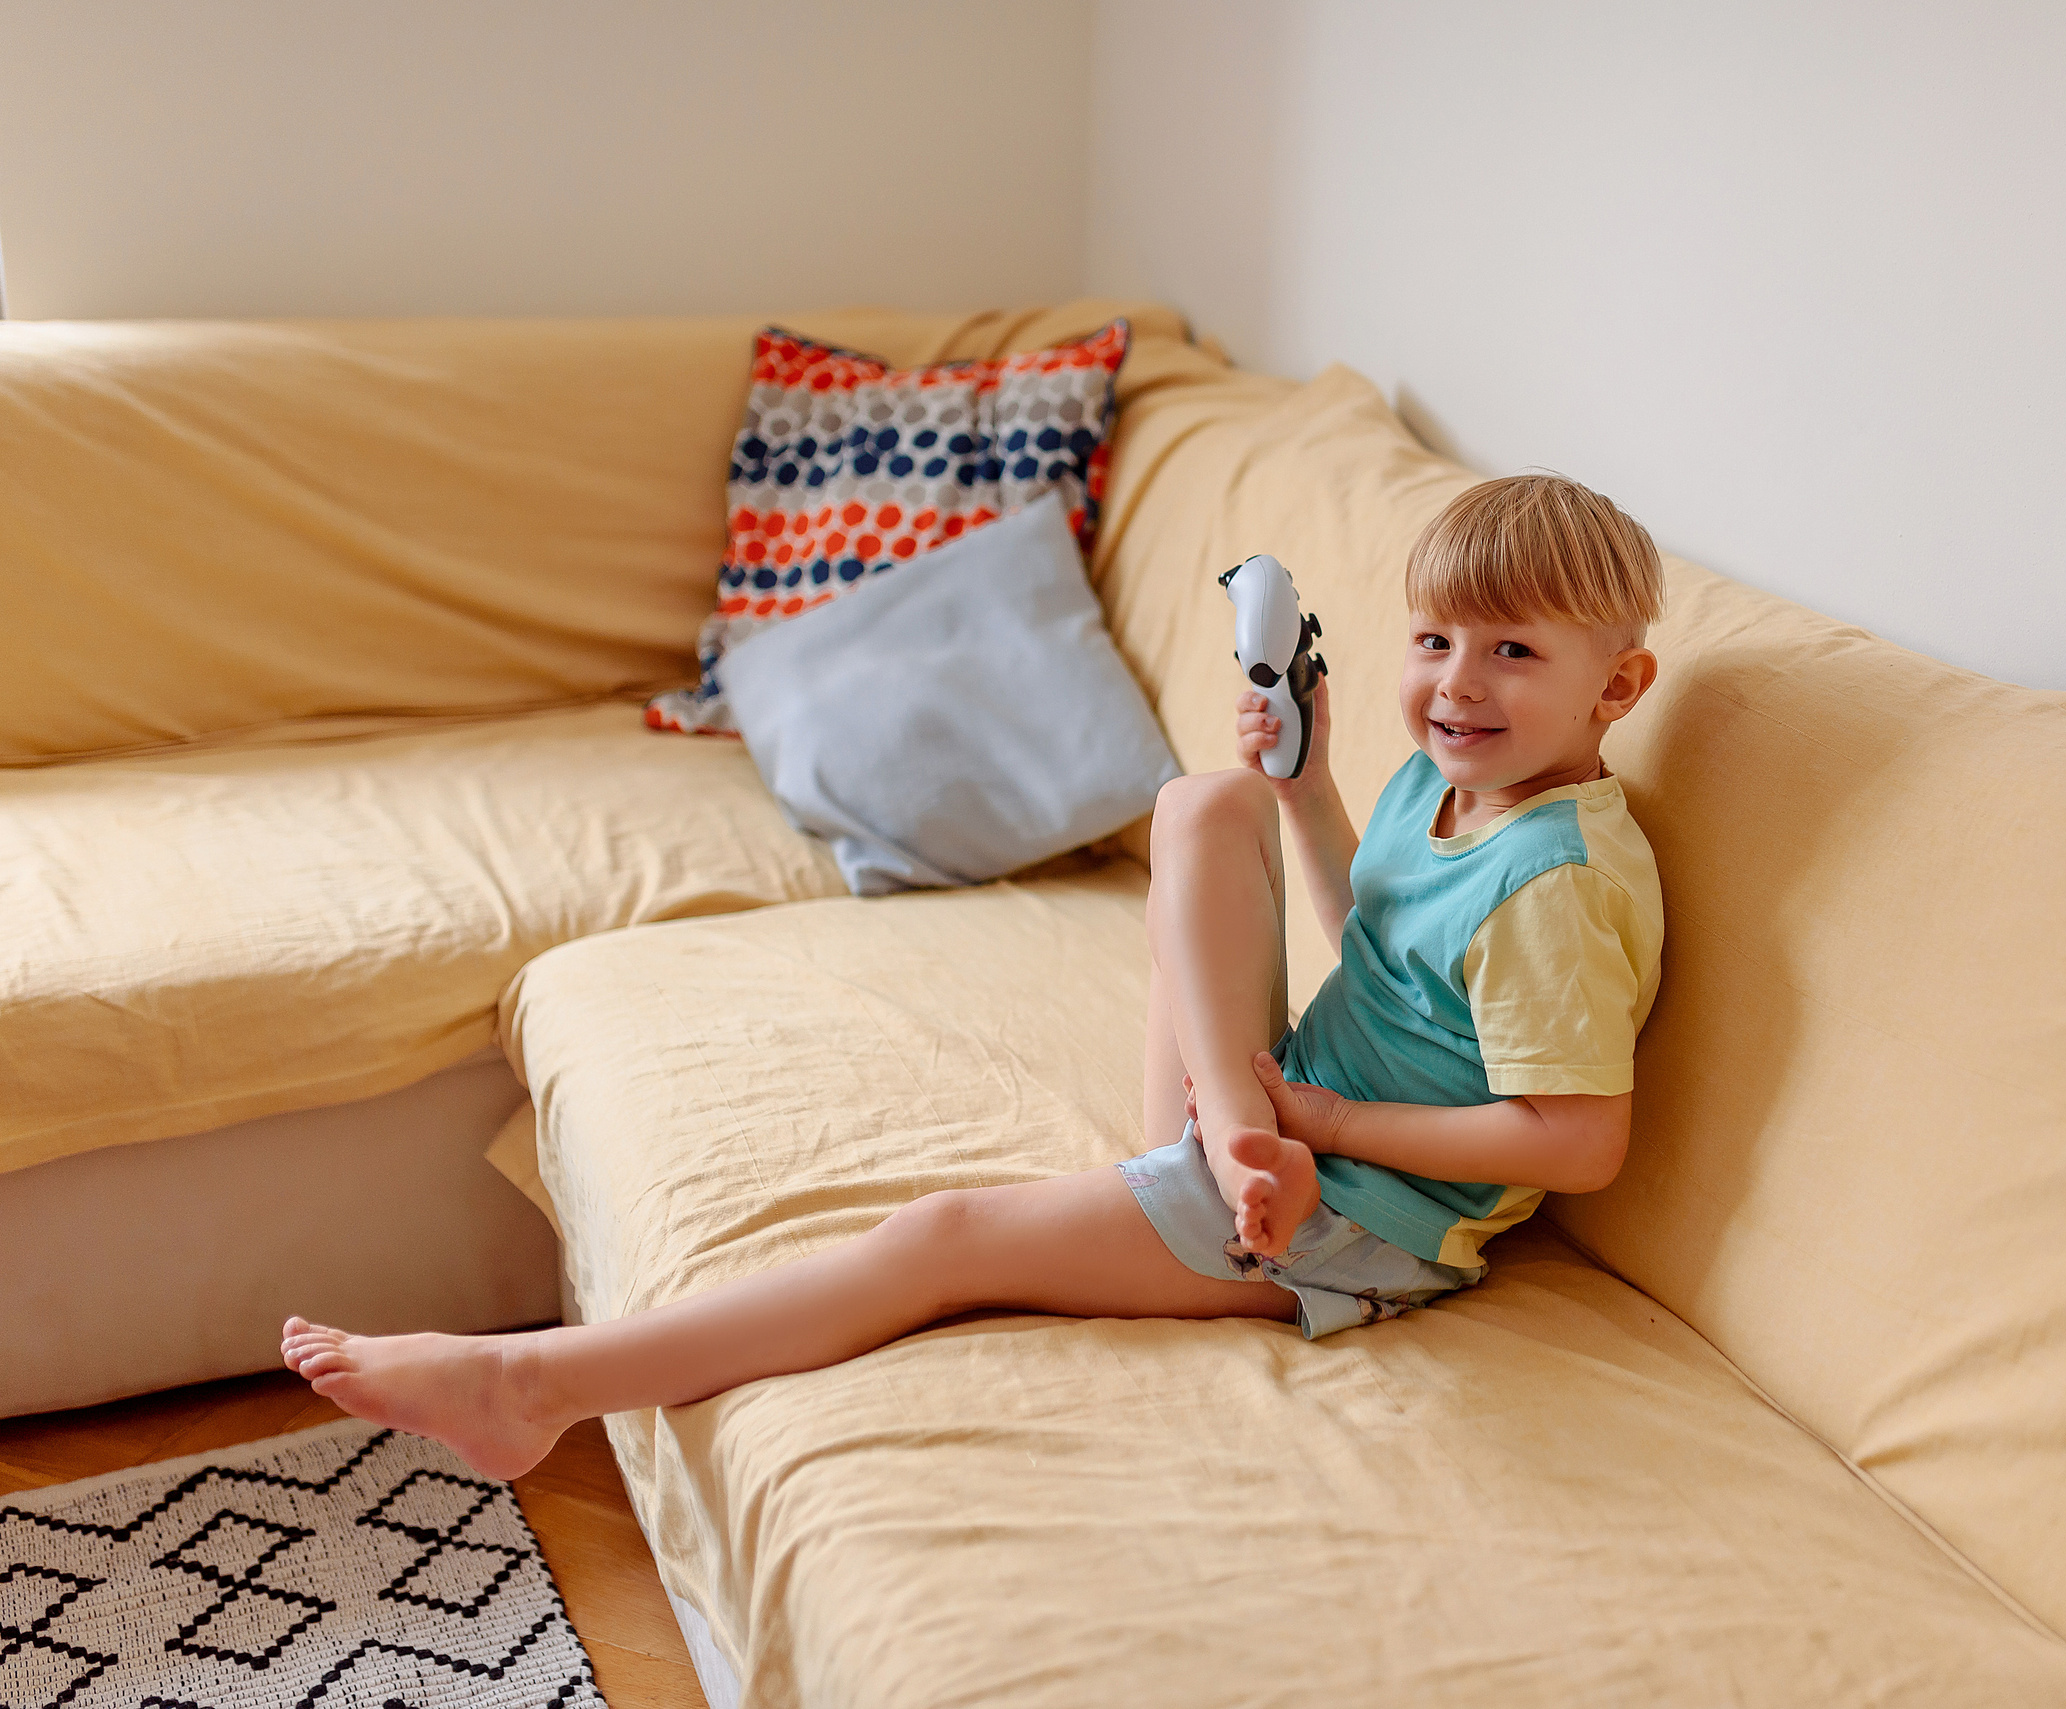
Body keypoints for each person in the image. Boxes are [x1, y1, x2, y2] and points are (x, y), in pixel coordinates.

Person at [280, 473, 1666, 1481]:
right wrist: (1307, 798)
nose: (1456, 684)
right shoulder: (1454, 782)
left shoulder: (1553, 882)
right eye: (1435, 642)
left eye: (1515, 653)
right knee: (1209, 805)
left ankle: (527, 1385)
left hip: (1369, 1218)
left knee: (940, 1238)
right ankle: (1225, 1152)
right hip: (1291, 1124)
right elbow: (1376, 934)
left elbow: (1579, 1141)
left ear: (1618, 687)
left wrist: (1327, 1126)